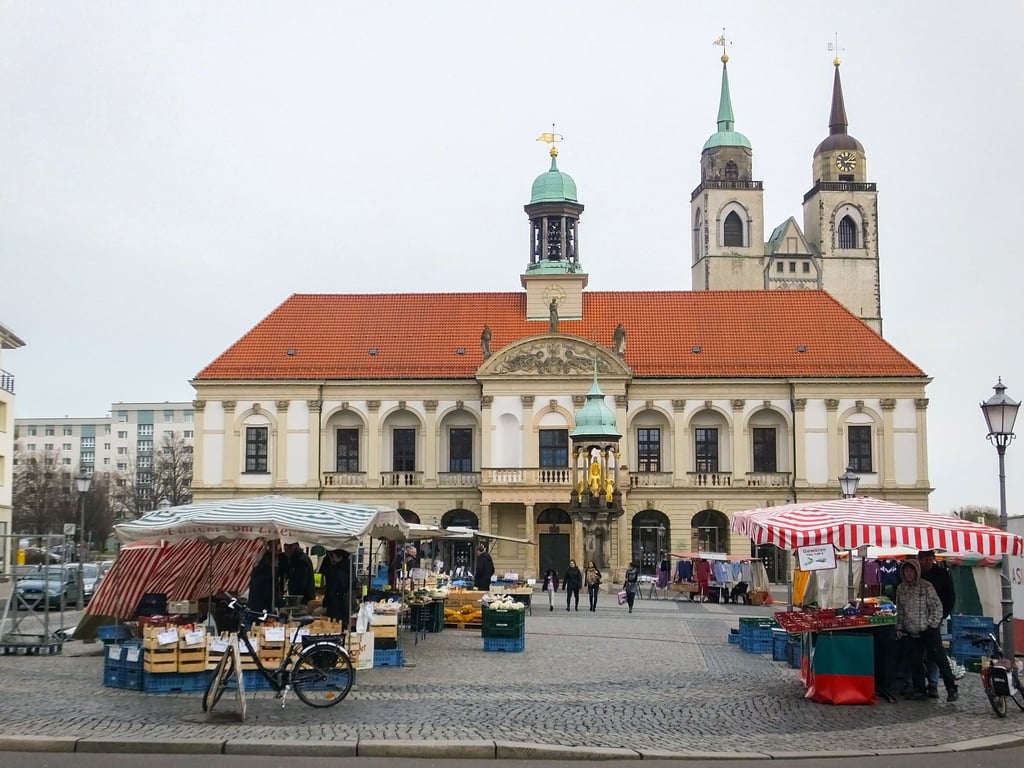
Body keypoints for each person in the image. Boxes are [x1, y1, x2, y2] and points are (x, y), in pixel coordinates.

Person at [895, 558, 959, 702]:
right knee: (915, 661)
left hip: (928, 630)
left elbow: (937, 607)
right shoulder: (901, 589)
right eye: (906, 571)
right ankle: (920, 689)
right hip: (912, 631)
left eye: (911, 571)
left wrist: (932, 624)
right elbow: (900, 610)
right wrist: (899, 627)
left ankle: (951, 689)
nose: (909, 574)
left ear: (916, 571)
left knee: (939, 659)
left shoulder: (926, 586)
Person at [918, 549, 956, 698]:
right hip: (915, 622)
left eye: (930, 559)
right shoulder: (914, 572)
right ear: (919, 559)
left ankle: (936, 686)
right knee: (916, 655)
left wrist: (942, 615)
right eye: (925, 559)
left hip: (934, 620)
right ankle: (918, 687)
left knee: (936, 654)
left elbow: (950, 596)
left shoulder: (942, 574)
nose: (927, 562)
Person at [320, 548, 359, 621]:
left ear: (340, 557)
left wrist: (325, 603)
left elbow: (331, 589)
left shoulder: (336, 570)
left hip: (335, 605)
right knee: (345, 624)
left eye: (334, 556)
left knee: (335, 625)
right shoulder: (350, 567)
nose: (332, 559)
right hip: (347, 603)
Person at [247, 542, 284, 614]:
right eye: (277, 561)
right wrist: (283, 603)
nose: (278, 563)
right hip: (263, 611)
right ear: (271, 562)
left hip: (254, 609)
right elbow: (269, 596)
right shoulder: (269, 576)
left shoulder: (257, 572)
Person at [282, 541, 315, 607]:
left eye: (286, 550)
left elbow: (302, 582)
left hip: (301, 598)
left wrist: (294, 596)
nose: (285, 553)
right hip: (300, 597)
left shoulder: (301, 561)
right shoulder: (297, 559)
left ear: (292, 548)